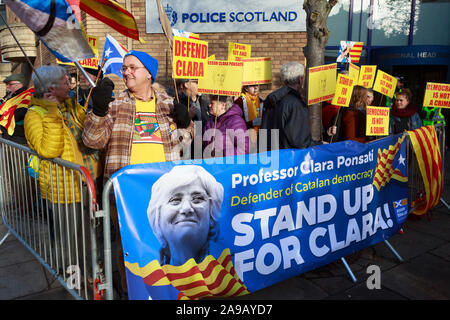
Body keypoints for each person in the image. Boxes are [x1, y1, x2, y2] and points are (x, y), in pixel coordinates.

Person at [82, 50, 194, 297]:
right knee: (131, 250)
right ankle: (132, 292)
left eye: (133, 67)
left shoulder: (167, 104)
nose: (126, 72)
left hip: (166, 192)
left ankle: (168, 290)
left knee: (167, 245)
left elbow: (183, 142)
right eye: (124, 68)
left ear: (148, 74)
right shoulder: (115, 104)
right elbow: (92, 141)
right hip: (125, 194)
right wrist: (98, 112)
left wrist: (186, 124)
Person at [24, 65, 103, 275]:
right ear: (50, 88)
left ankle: (91, 275)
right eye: (65, 81)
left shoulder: (71, 106)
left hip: (87, 183)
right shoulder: (35, 114)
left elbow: (88, 133)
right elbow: (49, 150)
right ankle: (71, 277)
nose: (70, 84)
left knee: (89, 236)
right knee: (68, 241)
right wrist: (51, 112)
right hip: (64, 190)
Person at [147, 165, 224, 266]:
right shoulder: (142, 272)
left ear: (212, 212)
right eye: (175, 200)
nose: (187, 208)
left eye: (198, 199)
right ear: (157, 216)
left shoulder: (230, 264)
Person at [264, 61, 323, 150]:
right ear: (300, 79)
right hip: (289, 159)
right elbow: (300, 141)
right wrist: (320, 144)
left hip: (271, 156)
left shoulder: (272, 99)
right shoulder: (295, 104)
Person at [175, 78, 210, 158]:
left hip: (202, 151)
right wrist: (188, 117)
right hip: (187, 152)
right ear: (186, 84)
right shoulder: (177, 102)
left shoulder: (204, 102)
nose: (200, 84)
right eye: (196, 82)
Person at [0, 74, 30, 144]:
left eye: (9, 84)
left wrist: (2, 115)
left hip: (18, 138)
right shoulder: (12, 96)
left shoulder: (27, 96)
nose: (7, 86)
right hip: (9, 137)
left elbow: (19, 113)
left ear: (18, 84)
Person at [233, 84, 264, 151]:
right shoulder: (239, 101)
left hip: (260, 135)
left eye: (257, 85)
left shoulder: (262, 100)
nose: (256, 88)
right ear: (246, 88)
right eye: (252, 86)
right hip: (245, 136)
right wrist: (252, 122)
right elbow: (237, 121)